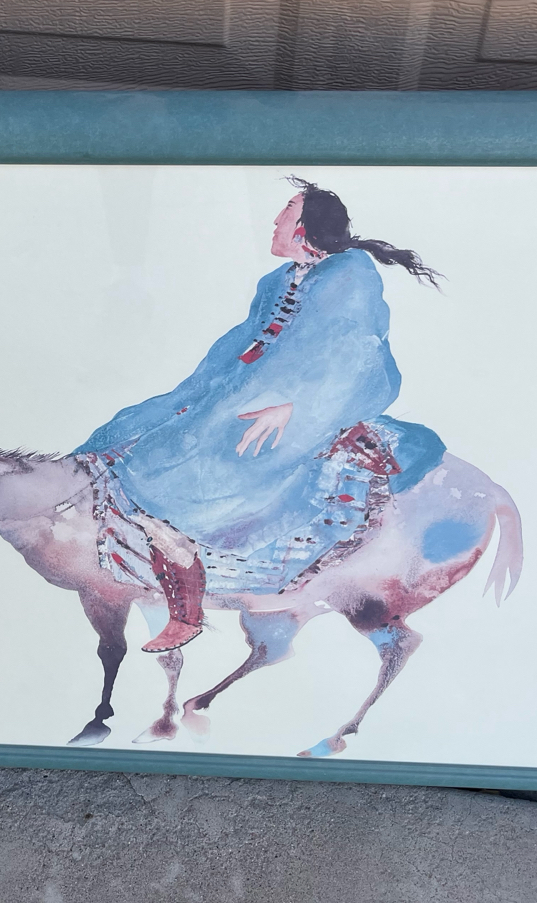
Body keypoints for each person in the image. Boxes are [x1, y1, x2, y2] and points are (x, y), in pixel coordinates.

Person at [77, 179, 447, 652]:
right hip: (247, 392)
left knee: (186, 474)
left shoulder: (351, 276)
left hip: (312, 406)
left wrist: (297, 406)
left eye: (286, 211)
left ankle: (186, 605)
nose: (275, 221)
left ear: (307, 227)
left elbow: (357, 354)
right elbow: (245, 341)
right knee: (135, 431)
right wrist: (201, 392)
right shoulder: (276, 280)